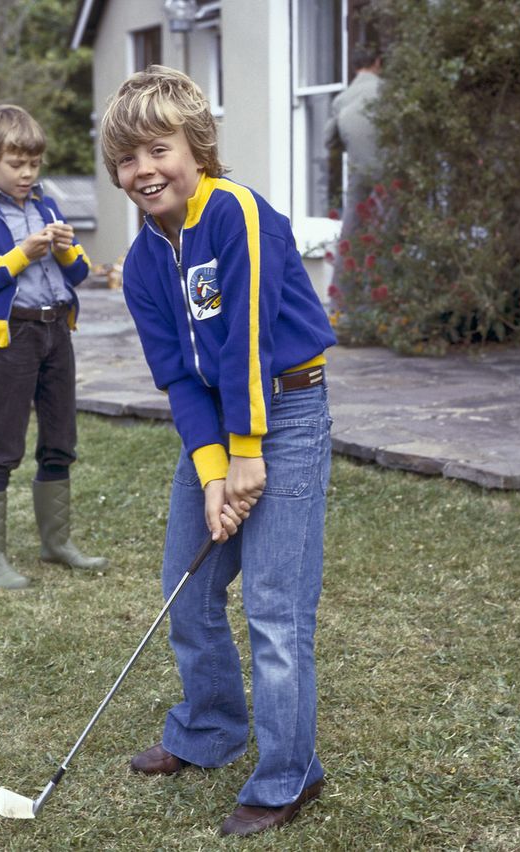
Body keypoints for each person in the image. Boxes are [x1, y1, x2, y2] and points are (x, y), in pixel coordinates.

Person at [100, 66, 336, 837]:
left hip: (287, 411)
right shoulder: (140, 264)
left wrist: (247, 456)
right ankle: (210, 731)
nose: (143, 171)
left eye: (157, 149)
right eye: (127, 160)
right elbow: (180, 377)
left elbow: (247, 346)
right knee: (189, 591)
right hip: (219, 428)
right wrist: (213, 472)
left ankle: (288, 775)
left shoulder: (235, 213)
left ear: (196, 148)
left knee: (274, 608)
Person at [0, 104, 107, 591]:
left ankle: (56, 544)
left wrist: (64, 247)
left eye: (34, 163)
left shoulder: (47, 206)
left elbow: (79, 273)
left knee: (60, 440)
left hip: (58, 333)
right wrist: (21, 255)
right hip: (14, 337)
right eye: (17, 164)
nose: (27, 173)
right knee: (2, 446)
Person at [324, 46, 383, 310]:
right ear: (378, 63)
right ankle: (383, 305)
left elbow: (329, 140)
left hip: (359, 173)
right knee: (387, 235)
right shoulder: (387, 92)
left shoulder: (342, 99)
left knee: (350, 237)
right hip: (388, 172)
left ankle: (340, 305)